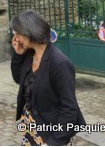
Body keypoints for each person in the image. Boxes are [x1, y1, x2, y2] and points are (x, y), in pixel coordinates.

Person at [10, 9, 85, 145]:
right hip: (32, 126)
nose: (16, 39)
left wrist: (53, 142)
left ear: (29, 32)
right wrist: (18, 54)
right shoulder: (30, 54)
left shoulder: (60, 63)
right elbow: (18, 79)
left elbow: (69, 108)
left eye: (18, 34)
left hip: (52, 133)